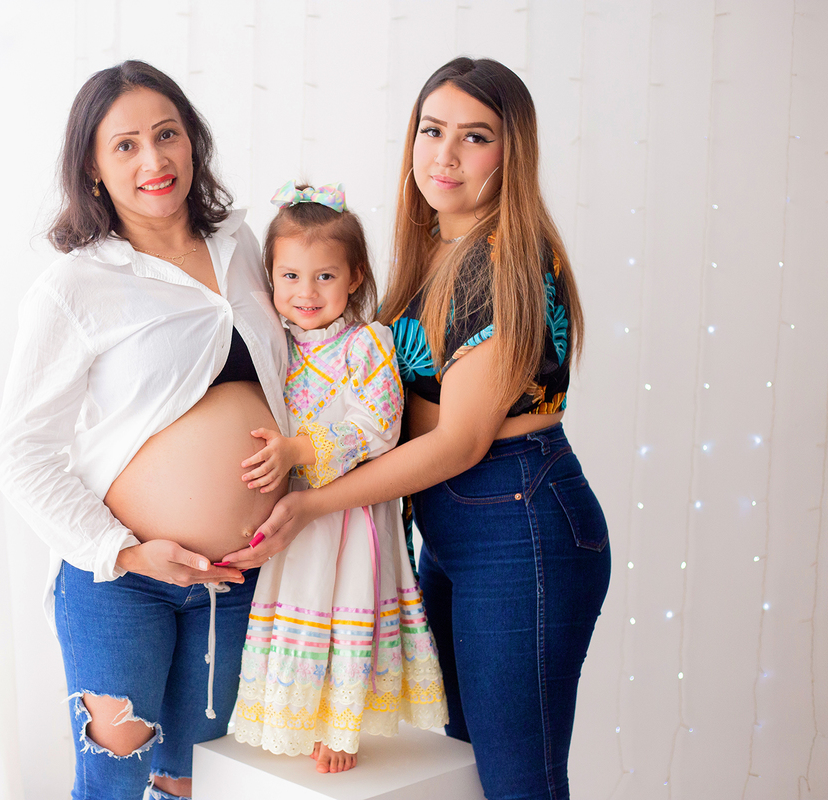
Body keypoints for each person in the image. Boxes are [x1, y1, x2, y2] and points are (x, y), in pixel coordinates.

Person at [222, 58, 612, 800]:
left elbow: (460, 441)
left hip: (518, 516)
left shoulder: (506, 260)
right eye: (432, 130)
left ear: (512, 152)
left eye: (475, 137)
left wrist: (309, 502)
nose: (445, 154)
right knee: (467, 770)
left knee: (517, 781)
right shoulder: (439, 251)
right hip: (458, 524)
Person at [0, 61, 290, 800]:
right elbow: (19, 452)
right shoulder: (76, 286)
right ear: (92, 169)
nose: (153, 160)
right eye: (124, 146)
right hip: (121, 585)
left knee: (200, 785)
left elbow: (302, 382)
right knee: (116, 786)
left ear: (194, 144)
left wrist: (301, 499)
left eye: (167, 135)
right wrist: (123, 552)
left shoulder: (248, 250)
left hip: (239, 579)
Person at [229, 181, 448, 773]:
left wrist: (298, 449)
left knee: (344, 604)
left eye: (324, 276)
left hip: (348, 509)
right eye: (290, 277)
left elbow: (378, 425)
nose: (306, 293)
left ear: (354, 277)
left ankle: (341, 726)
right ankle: (290, 714)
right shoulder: (273, 343)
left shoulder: (365, 343)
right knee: (297, 604)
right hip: (294, 507)